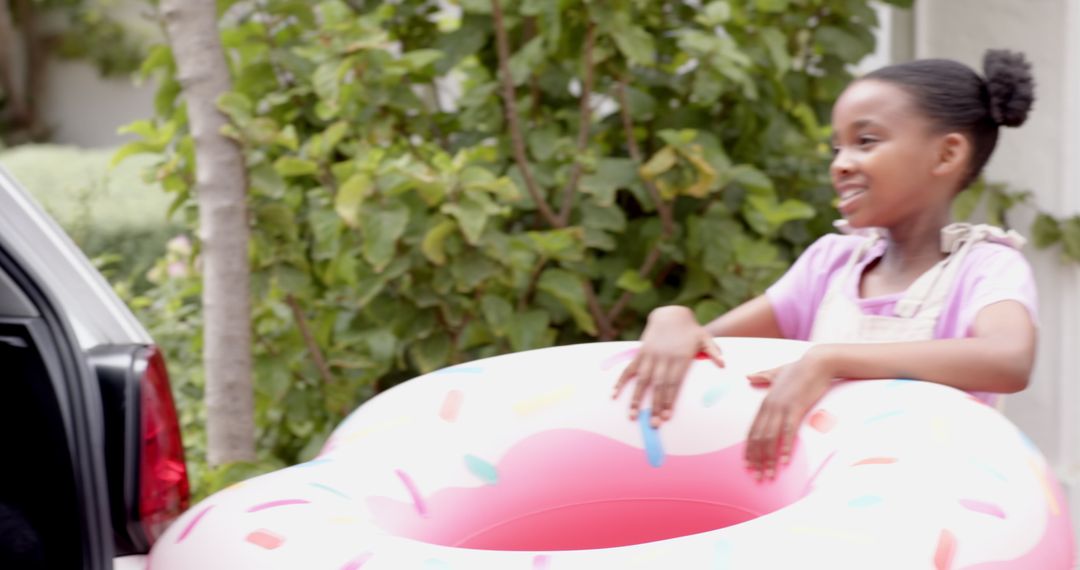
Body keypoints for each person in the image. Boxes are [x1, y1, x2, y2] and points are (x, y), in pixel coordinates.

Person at [612, 49, 1038, 481]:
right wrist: (674, 318)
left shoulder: (984, 267)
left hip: (931, 516)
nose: (840, 164)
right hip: (821, 514)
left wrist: (830, 360)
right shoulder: (830, 265)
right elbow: (715, 345)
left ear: (946, 155)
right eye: (836, 148)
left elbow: (1007, 358)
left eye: (865, 141)